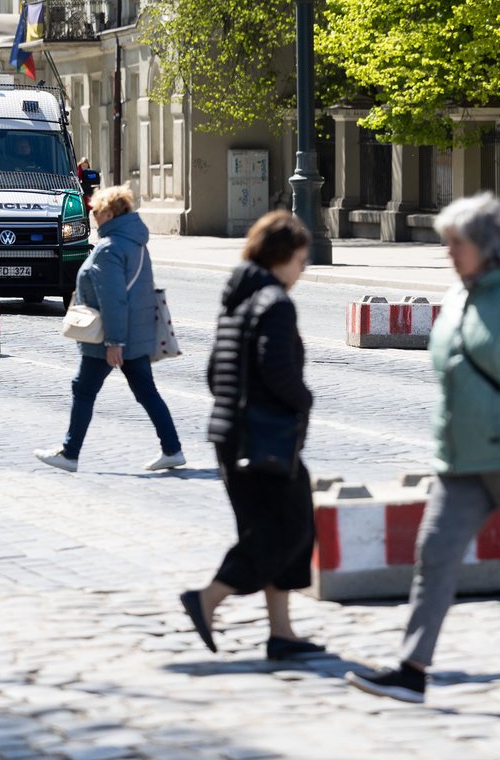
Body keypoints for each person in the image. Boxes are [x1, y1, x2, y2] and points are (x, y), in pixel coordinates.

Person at [346, 193, 500, 705]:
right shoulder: (456, 296)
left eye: (457, 243)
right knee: (435, 553)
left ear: (488, 245)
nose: (448, 252)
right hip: (461, 458)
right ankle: (412, 670)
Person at [180, 210, 324, 661]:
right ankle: (209, 598)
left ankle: (282, 633)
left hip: (232, 435)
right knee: (288, 530)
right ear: (282, 256)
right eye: (300, 260)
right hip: (263, 438)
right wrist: (304, 400)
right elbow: (276, 368)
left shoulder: (238, 299)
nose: (302, 270)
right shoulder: (275, 302)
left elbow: (213, 373)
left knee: (274, 526)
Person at [34, 185, 184, 473]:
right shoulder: (135, 242)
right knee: (147, 392)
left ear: (110, 214)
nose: (93, 214)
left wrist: (115, 342)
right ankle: (172, 449)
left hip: (108, 336)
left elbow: (113, 298)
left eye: (97, 210)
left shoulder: (109, 248)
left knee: (83, 389)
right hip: (135, 333)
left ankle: (69, 453)